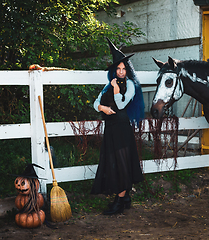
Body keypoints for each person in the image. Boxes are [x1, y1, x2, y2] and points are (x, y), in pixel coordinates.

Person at [91, 38, 144, 215]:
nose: (121, 72)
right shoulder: (108, 85)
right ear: (114, 70)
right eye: (118, 69)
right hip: (111, 128)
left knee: (122, 163)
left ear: (126, 70)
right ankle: (126, 197)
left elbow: (121, 105)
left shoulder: (130, 85)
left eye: (123, 68)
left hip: (122, 129)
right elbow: (95, 102)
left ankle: (120, 200)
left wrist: (115, 89)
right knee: (113, 162)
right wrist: (102, 108)